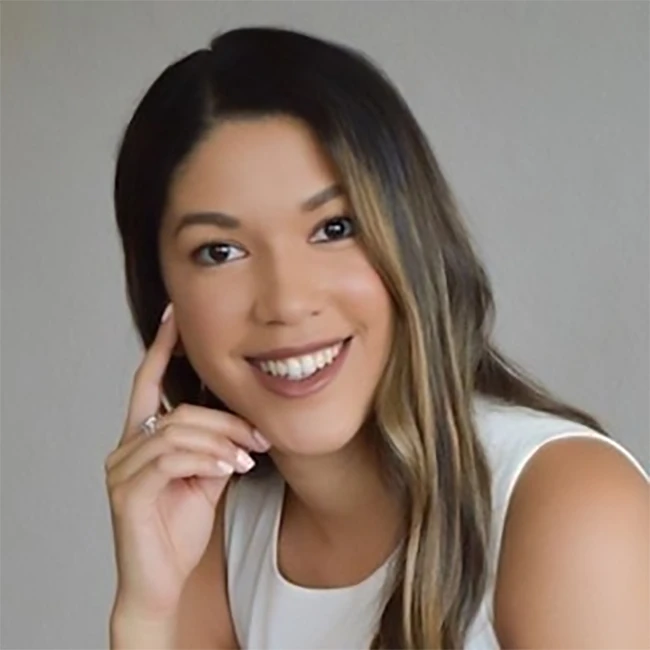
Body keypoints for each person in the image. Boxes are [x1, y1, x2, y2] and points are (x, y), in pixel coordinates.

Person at [104, 26, 649, 649]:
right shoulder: (212, 524)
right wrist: (144, 614)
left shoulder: (565, 504)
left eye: (335, 228)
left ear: (413, 244)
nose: (287, 302)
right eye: (220, 251)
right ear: (163, 295)